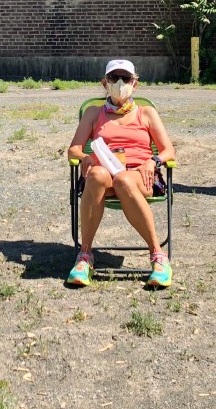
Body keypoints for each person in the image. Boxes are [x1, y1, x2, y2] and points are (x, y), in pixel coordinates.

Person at [66, 59, 176, 289]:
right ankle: (84, 256)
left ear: (135, 84)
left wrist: (153, 161)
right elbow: (73, 149)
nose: (119, 82)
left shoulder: (146, 113)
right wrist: (85, 157)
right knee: (96, 175)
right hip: (104, 176)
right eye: (113, 77)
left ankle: (158, 256)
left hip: (140, 175)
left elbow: (168, 150)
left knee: (124, 179)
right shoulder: (94, 113)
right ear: (104, 82)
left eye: (125, 78)